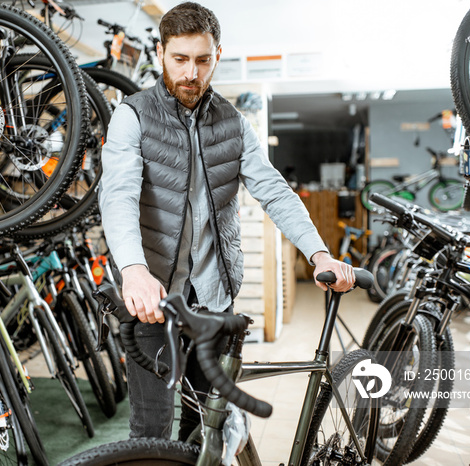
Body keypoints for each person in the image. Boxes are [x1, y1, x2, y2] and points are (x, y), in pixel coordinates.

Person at [98, 1, 355, 442]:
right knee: (152, 426)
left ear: (218, 55)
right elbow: (117, 195)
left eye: (202, 59)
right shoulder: (133, 115)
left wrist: (318, 253)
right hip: (151, 297)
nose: (191, 74)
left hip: (212, 298)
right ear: (161, 54)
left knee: (206, 423)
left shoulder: (234, 124)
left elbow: (274, 191)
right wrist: (133, 271)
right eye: (180, 60)